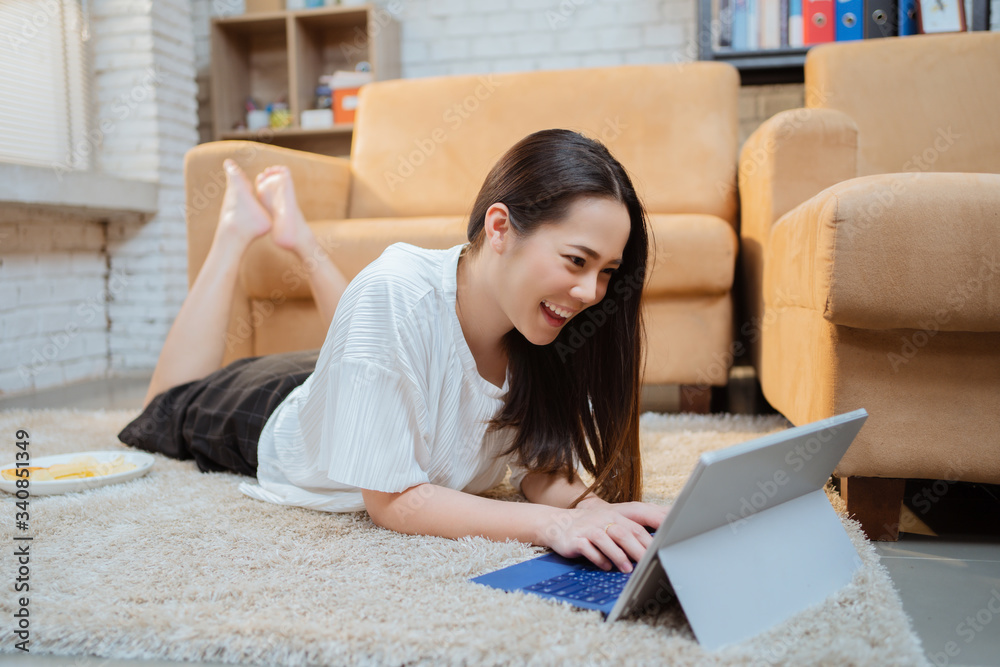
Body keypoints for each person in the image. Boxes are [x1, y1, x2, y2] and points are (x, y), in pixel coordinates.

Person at [119, 128, 668, 574]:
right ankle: (238, 230)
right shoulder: (397, 290)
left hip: (369, 377)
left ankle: (297, 238)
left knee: (377, 327)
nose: (592, 293)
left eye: (607, 273)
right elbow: (393, 501)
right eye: (577, 261)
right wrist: (554, 526)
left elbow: (542, 470)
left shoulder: (542, 328)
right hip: (275, 410)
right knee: (165, 405)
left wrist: (594, 510)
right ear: (499, 228)